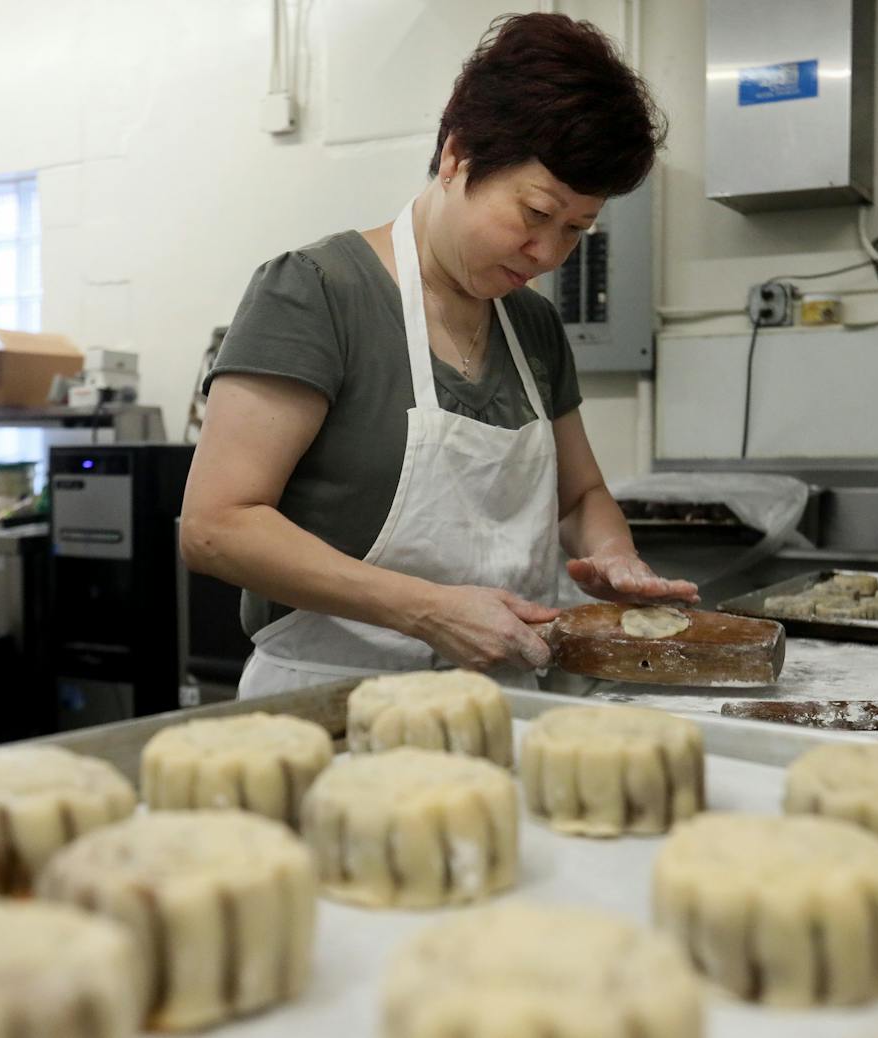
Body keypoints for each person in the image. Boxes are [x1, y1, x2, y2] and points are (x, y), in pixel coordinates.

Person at [181, 12, 698, 698]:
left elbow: (581, 497)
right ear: (457, 158)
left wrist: (613, 554)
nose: (547, 255)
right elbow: (217, 527)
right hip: (333, 703)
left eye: (576, 230)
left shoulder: (533, 326)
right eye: (536, 214)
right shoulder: (317, 294)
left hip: (508, 702)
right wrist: (429, 610)